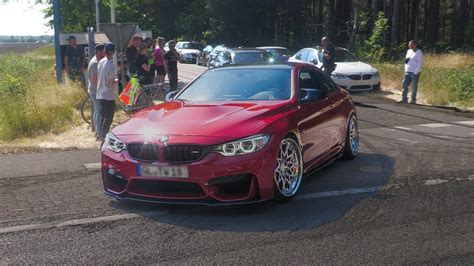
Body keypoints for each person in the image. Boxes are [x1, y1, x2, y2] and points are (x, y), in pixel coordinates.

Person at [97, 43, 117, 141]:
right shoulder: (111, 65)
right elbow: (112, 82)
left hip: (100, 93)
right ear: (113, 52)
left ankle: (101, 135)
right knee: (108, 117)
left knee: (103, 116)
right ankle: (104, 137)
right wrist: (117, 80)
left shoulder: (101, 61)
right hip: (109, 94)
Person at [87, 44, 105, 139]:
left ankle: (97, 130)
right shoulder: (95, 63)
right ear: (99, 52)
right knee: (99, 111)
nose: (105, 53)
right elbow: (95, 79)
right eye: (103, 51)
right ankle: (99, 133)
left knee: (97, 111)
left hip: (94, 90)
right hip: (95, 91)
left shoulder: (97, 61)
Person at [399, 40, 423, 104]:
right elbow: (406, 61)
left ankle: (413, 100)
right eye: (409, 44)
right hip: (407, 71)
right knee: (404, 85)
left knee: (414, 87)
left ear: (415, 45)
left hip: (414, 72)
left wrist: (415, 72)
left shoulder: (419, 52)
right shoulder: (409, 51)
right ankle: (404, 99)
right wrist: (406, 69)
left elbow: (420, 63)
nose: (409, 45)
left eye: (411, 44)